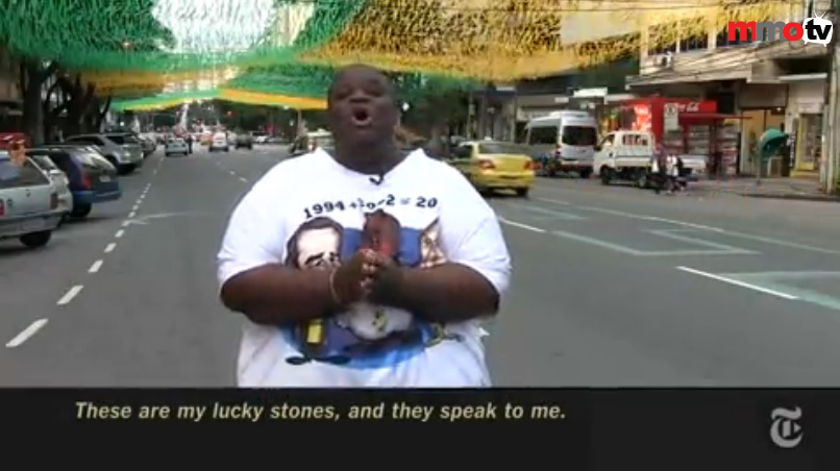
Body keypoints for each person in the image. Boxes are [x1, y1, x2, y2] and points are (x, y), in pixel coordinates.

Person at [216, 64, 511, 387]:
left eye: (374, 92)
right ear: (329, 117)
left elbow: (485, 287)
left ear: (396, 114)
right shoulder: (283, 183)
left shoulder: (444, 183)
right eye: (343, 96)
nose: (359, 98)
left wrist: (399, 285)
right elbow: (239, 287)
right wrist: (336, 286)